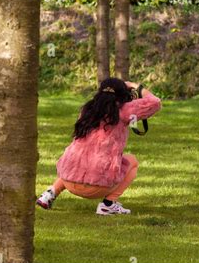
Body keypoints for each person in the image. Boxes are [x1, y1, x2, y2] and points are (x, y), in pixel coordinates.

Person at [36, 78, 161, 215]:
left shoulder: (87, 110)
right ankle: (108, 204)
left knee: (80, 158)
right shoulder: (124, 111)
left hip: (68, 180)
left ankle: (49, 193)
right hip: (97, 186)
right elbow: (155, 103)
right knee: (132, 161)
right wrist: (134, 86)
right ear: (122, 94)